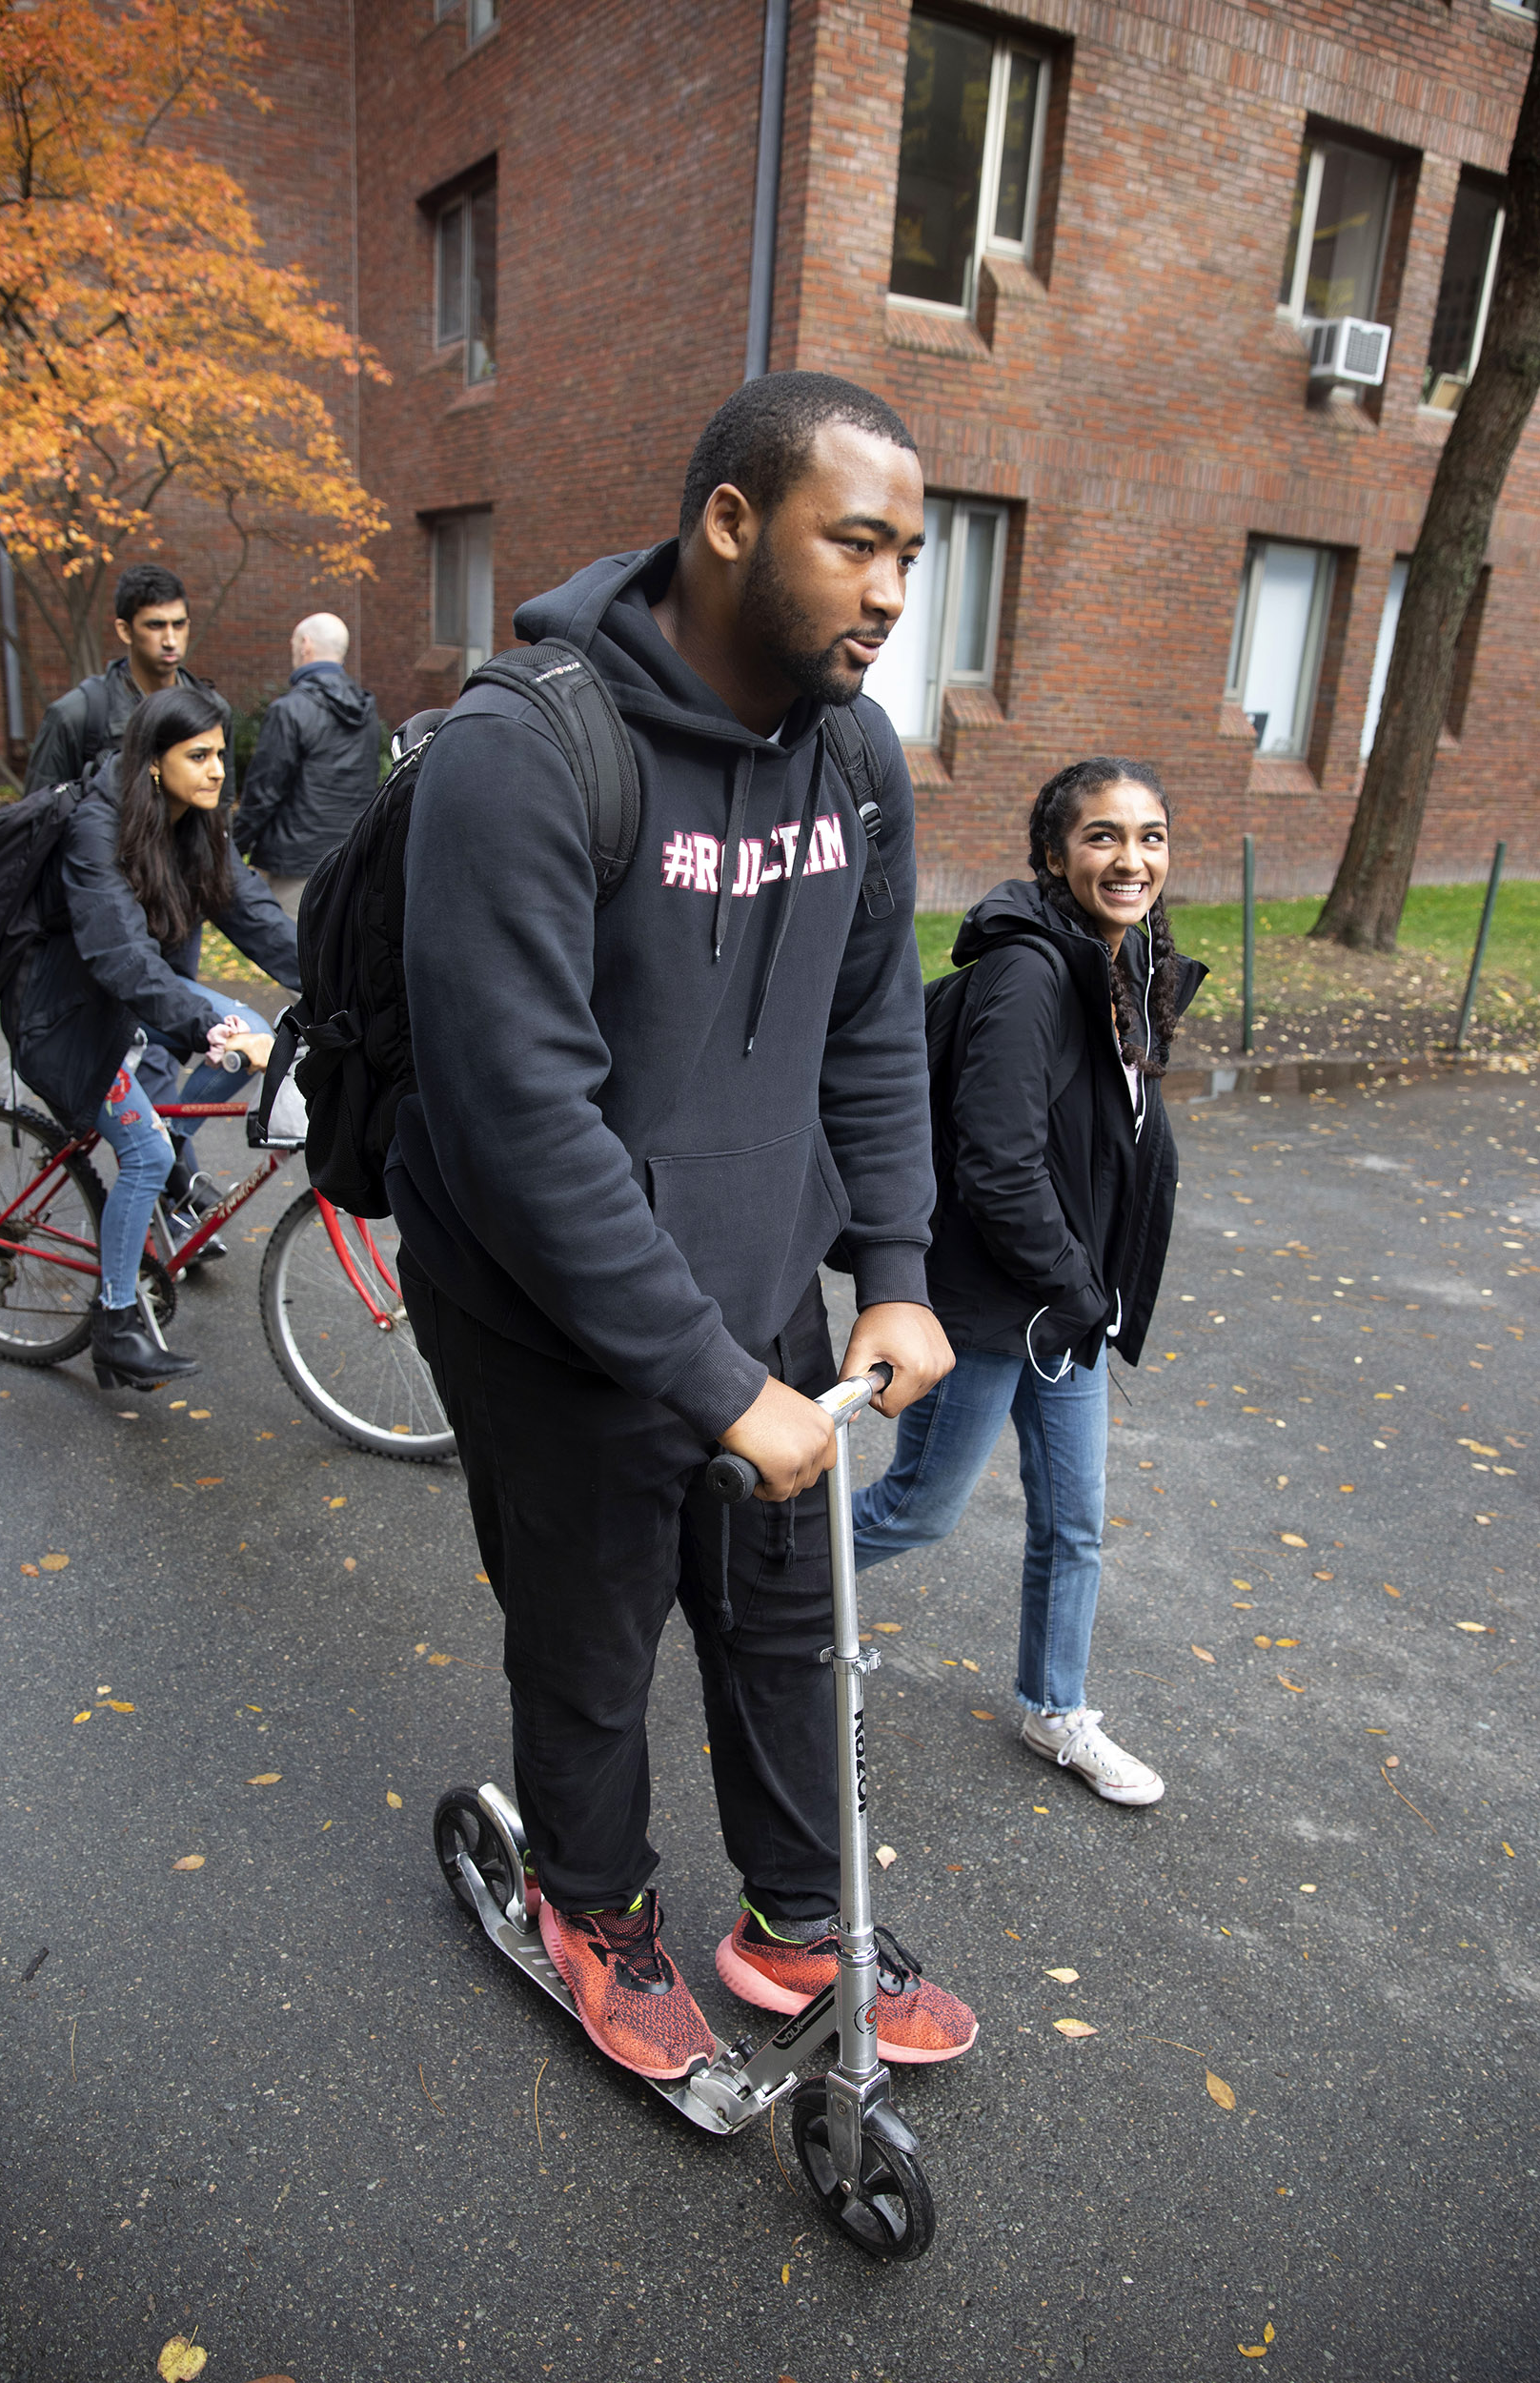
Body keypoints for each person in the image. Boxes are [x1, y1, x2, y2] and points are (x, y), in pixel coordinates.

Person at [393, 371, 980, 2081]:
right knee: (591, 1636)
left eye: (909, 554)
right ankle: (593, 1906)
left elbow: (872, 1027)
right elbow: (520, 1129)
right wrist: (704, 1382)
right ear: (729, 522)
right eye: (854, 543)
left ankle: (801, 1922)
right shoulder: (525, 748)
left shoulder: (853, 750)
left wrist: (891, 1269)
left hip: (763, 1285)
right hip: (546, 1311)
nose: (890, 591)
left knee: (790, 1621)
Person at [850, 759, 1206, 1807]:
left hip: (1065, 1309)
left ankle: (1056, 1709)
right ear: (1053, 853)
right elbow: (992, 1160)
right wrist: (1076, 1283)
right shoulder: (1029, 973)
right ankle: (763, 1583)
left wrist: (1090, 1292)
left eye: (1148, 835)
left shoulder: (1116, 961)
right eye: (1100, 836)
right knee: (918, 1508)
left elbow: (1104, 1143)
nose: (1128, 857)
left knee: (1074, 1522)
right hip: (992, 1304)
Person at [1, 685, 298, 1391]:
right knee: (143, 1147)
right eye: (199, 755)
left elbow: (256, 918)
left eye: (222, 754)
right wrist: (209, 1026)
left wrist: (346, 990)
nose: (218, 769)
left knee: (254, 1029)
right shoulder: (96, 826)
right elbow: (116, 955)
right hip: (65, 1013)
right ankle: (115, 1324)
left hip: (128, 999)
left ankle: (169, 1156)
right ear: (154, 763)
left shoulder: (195, 824)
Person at [23, 563, 232, 796]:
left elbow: (221, 805)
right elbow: (38, 818)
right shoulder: (75, 715)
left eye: (179, 624)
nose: (170, 640)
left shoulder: (212, 708)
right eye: (156, 625)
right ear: (125, 630)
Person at [231, 612, 380, 918]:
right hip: (349, 861)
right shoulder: (367, 714)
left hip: (295, 867)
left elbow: (264, 793)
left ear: (305, 645)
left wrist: (232, 846)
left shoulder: (288, 711)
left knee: (294, 958)